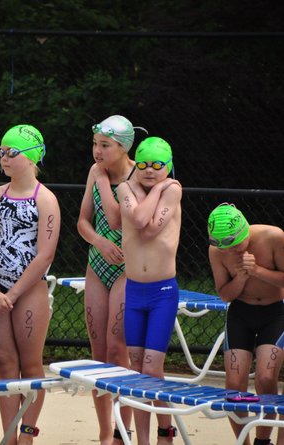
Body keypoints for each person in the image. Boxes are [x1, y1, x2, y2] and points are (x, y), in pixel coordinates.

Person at [0, 124, 60, 445]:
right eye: (1, 152)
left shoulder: (46, 200)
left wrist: (11, 293)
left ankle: (27, 433)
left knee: (30, 363)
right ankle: (9, 433)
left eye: (11, 152)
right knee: (5, 362)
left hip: (28, 292)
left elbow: (45, 254)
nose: (4, 158)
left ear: (31, 158)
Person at [77, 115, 143, 445]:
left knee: (118, 348)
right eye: (95, 144)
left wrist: (103, 181)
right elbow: (83, 223)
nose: (97, 152)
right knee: (98, 352)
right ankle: (105, 432)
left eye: (105, 146)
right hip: (98, 263)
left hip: (128, 268)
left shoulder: (138, 174)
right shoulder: (94, 171)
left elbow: (117, 220)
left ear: (123, 147)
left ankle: (122, 430)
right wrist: (98, 243)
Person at [116, 136, 182, 445]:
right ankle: (142, 439)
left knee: (153, 367)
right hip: (134, 292)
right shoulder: (124, 189)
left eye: (158, 166)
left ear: (168, 166)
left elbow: (153, 228)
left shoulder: (174, 189)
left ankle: (165, 433)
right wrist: (156, 189)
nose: (149, 171)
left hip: (162, 292)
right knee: (137, 368)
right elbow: (141, 219)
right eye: (142, 164)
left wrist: (158, 189)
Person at [207, 203, 284, 445]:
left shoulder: (273, 237)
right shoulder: (217, 251)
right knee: (233, 386)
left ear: (245, 232)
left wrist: (258, 271)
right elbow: (225, 294)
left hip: (275, 313)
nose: (231, 252)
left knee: (265, 377)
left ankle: (263, 440)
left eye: (235, 245)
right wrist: (240, 277)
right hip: (241, 313)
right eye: (225, 248)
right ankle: (244, 442)